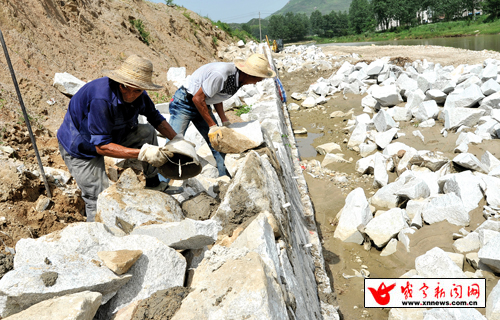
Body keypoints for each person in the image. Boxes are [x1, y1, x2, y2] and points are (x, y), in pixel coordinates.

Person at [57, 54, 184, 222]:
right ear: (119, 81)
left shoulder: (140, 95)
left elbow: (155, 118)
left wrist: (178, 141)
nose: (130, 94)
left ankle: (154, 183)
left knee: (146, 132)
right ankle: (98, 234)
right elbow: (102, 146)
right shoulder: (101, 98)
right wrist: (143, 153)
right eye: (126, 87)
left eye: (137, 90)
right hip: (81, 146)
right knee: (98, 195)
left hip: (111, 134)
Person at [167, 53, 276, 177]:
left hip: (202, 104)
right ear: (249, 74)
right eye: (257, 78)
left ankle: (224, 179)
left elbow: (217, 95)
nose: (257, 82)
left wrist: (224, 120)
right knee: (173, 144)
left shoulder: (238, 78)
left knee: (217, 143)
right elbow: (197, 98)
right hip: (184, 103)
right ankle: (163, 183)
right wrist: (212, 125)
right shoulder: (221, 74)